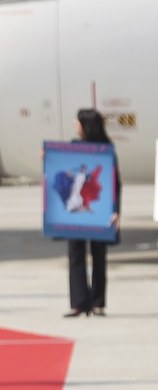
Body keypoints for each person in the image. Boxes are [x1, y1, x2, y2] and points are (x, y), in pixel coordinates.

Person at [64, 108, 120, 317]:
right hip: (76, 210)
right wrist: (47, 157)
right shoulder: (72, 148)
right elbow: (61, 169)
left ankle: (97, 303)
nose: (75, 126)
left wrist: (116, 211)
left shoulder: (106, 150)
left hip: (100, 209)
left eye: (78, 122)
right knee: (75, 254)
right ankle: (78, 302)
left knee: (99, 255)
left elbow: (116, 183)